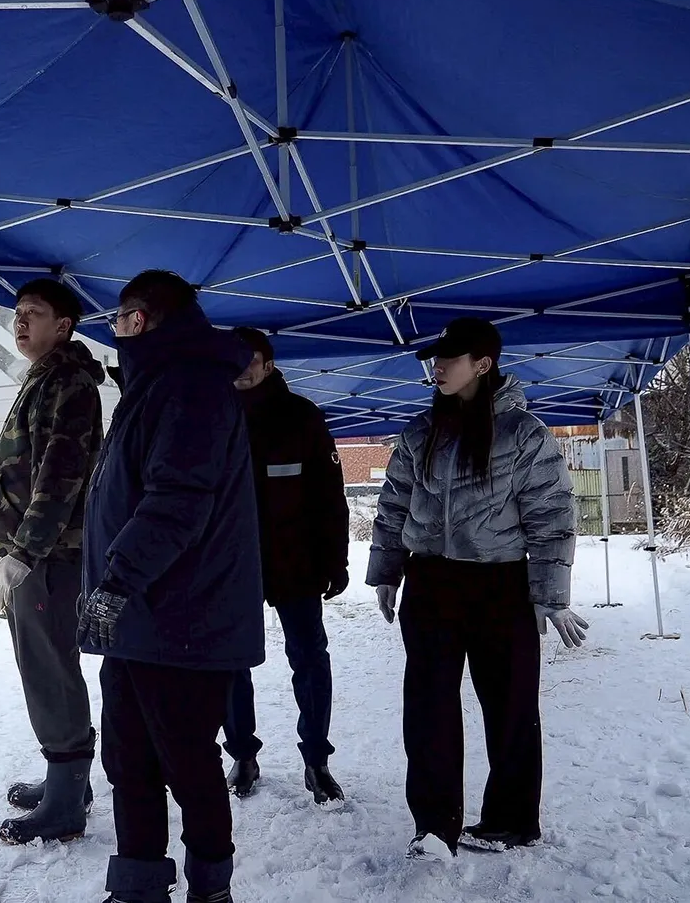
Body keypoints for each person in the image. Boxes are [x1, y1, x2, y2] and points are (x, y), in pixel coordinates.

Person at [367, 317, 584, 861]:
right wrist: (387, 571)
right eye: (436, 358)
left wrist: (550, 594)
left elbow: (552, 514)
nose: (437, 367)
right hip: (431, 584)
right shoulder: (420, 432)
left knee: (510, 707)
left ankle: (512, 820)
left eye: (450, 358)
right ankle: (434, 826)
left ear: (482, 364)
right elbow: (393, 504)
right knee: (428, 709)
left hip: (499, 586)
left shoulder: (524, 434)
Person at [79, 270, 263, 903]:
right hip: (139, 616)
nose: (115, 330)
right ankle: (138, 886)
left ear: (141, 319)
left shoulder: (191, 386)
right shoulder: (151, 386)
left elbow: (178, 501)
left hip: (185, 618)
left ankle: (211, 889)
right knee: (128, 757)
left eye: (119, 318)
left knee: (187, 763)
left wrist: (117, 579)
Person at [0, 278, 105, 845]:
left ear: (65, 325)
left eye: (33, 313)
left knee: (50, 671)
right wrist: (1, 547)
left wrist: (23, 552)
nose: (20, 322)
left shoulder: (69, 384)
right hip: (36, 552)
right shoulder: (46, 378)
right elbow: (24, 473)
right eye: (17, 313)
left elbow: (59, 478)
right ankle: (68, 782)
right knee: (46, 668)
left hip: (51, 557)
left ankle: (66, 802)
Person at [224, 328, 350, 805]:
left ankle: (317, 760)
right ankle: (242, 754)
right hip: (230, 564)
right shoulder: (212, 414)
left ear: (269, 364)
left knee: (309, 658)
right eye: (232, 358)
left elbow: (329, 494)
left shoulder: (301, 416)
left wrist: (335, 559)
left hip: (295, 562)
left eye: (249, 359)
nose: (241, 367)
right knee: (230, 660)